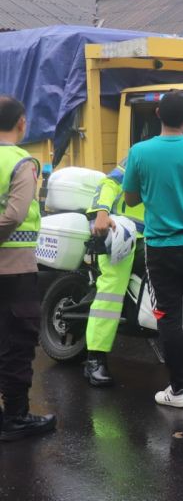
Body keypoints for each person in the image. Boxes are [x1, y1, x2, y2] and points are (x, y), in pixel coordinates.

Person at [122, 90, 183, 409]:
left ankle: (177, 390)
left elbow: (132, 198)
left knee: (168, 317)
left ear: (158, 114)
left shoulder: (139, 152)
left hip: (162, 246)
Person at [0, 95, 56, 441]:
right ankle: (16, 417)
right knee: (18, 341)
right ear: (21, 123)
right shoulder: (22, 162)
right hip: (14, 269)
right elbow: (15, 214)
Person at [83, 157, 145, 387]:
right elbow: (110, 183)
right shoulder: (142, 154)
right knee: (112, 287)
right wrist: (102, 212)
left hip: (163, 233)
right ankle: (95, 358)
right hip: (126, 230)